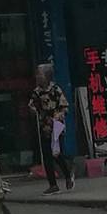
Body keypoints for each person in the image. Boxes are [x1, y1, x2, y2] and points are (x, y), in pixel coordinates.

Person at [28, 62, 74, 193]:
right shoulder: (37, 92)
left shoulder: (55, 90)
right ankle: (53, 185)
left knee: (56, 153)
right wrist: (33, 110)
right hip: (44, 127)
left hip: (56, 126)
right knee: (47, 156)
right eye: (37, 74)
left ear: (47, 76)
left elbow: (65, 106)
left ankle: (67, 175)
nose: (38, 76)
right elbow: (31, 105)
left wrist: (58, 116)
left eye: (40, 74)